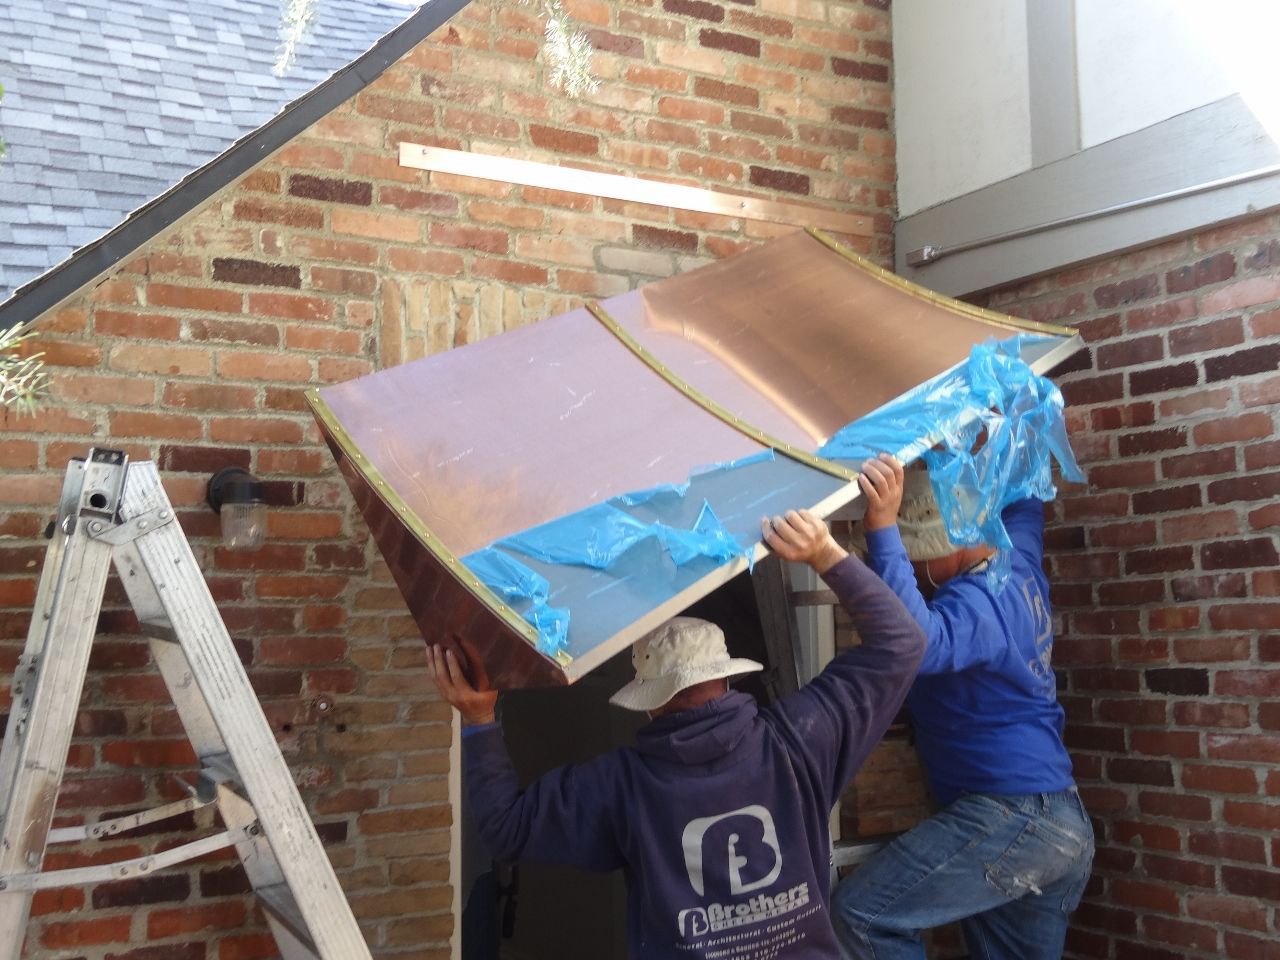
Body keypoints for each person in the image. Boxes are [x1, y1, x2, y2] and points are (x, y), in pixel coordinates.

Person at [429, 508, 926, 960]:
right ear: (728, 678)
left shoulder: (623, 788)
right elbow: (902, 644)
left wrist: (478, 719)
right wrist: (824, 551)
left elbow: (505, 829)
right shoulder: (798, 741)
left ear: (649, 705)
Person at [832, 454, 1094, 960]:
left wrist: (884, 529)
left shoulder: (974, 605)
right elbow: (1025, 501)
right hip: (1057, 819)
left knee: (862, 915)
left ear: (948, 551)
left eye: (915, 558)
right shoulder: (1016, 559)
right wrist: (958, 443)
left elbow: (917, 642)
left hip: (1011, 814)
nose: (911, 570)